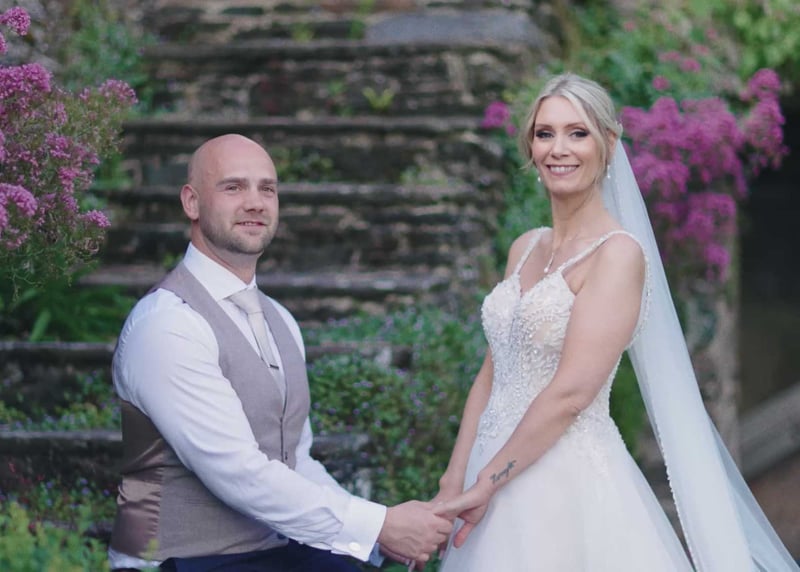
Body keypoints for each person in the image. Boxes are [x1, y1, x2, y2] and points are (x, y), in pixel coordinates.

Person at [433, 73, 799, 571]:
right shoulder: (524, 247)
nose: (559, 148)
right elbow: (493, 370)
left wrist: (487, 482)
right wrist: (454, 479)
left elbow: (571, 393)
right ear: (530, 147)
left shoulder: (617, 255)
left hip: (560, 481)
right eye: (545, 133)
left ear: (607, 143)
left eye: (577, 133)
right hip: (487, 469)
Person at [108, 134, 452, 572]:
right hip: (178, 561)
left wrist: (377, 540)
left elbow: (295, 461)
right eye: (234, 187)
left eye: (267, 189)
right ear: (192, 202)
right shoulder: (167, 324)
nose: (255, 202)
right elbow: (237, 471)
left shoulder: (280, 321)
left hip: (271, 552)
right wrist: (379, 525)